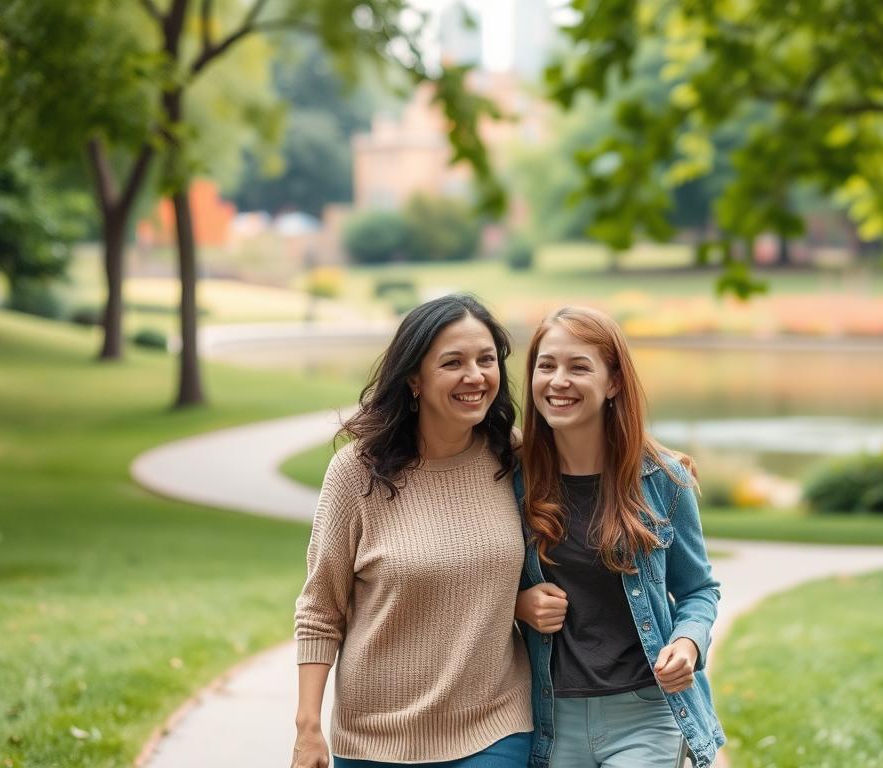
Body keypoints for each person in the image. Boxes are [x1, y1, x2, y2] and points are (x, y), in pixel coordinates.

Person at [292, 294, 532, 768]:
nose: (475, 376)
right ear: (414, 380)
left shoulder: (514, 458)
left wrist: (661, 468)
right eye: (453, 362)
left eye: (486, 360)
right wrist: (308, 728)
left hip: (495, 728)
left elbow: (594, 459)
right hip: (373, 740)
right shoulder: (356, 473)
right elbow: (321, 608)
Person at [513, 306, 724, 768]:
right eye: (546, 366)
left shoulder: (664, 480)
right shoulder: (513, 481)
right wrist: (520, 605)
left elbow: (698, 590)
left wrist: (688, 644)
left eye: (578, 367)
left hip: (646, 713)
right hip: (550, 715)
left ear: (613, 383)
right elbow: (476, 579)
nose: (558, 381)